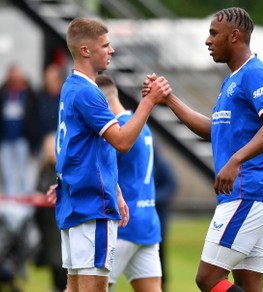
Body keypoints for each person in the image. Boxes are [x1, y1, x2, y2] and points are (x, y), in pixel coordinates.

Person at [143, 7, 263, 292]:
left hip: (248, 192)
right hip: (256, 195)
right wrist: (169, 100)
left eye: (213, 34)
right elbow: (215, 130)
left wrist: (235, 160)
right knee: (247, 284)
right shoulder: (232, 80)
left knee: (207, 279)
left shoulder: (254, 73)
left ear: (234, 36)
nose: (208, 41)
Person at [50, 17, 171, 292]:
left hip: (75, 202)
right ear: (85, 50)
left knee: (74, 288)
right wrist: (149, 101)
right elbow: (123, 142)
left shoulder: (70, 87)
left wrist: (115, 187)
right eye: (105, 45)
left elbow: (82, 148)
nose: (111, 50)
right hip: (93, 207)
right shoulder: (89, 94)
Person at [96, 74, 162, 292]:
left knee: (90, 288)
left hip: (122, 225)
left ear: (101, 102)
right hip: (147, 223)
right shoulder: (140, 125)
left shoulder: (119, 133)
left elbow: (99, 174)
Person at [33, 132, 67, 292]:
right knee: (54, 266)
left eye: (51, 149)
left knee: (63, 267)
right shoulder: (44, 170)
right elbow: (38, 190)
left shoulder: (63, 169)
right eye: (46, 149)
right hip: (48, 227)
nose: (48, 152)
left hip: (60, 227)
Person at [0, 64, 38, 196]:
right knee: (7, 172)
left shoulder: (28, 93)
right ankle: (10, 203)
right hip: (5, 139)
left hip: (22, 138)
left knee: (24, 172)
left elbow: (33, 117)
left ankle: (26, 201)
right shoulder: (3, 92)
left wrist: (33, 141)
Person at [153, 144, 178, 292]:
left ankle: (162, 285)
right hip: (137, 221)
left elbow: (171, 187)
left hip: (159, 220)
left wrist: (151, 200)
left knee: (159, 259)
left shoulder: (161, 164)